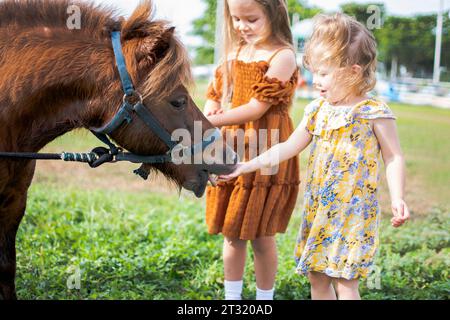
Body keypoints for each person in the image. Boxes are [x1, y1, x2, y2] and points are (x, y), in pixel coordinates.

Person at [218, 13, 410, 300]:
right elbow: (287, 147)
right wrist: (246, 165)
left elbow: (394, 157)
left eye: (324, 73)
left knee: (345, 282)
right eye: (314, 72)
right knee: (317, 277)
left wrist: (397, 197)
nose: (315, 80)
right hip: (320, 211)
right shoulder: (317, 110)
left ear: (354, 71)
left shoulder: (373, 113)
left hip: (353, 214)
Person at [203, 0, 300, 300]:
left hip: (265, 149)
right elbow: (215, 95)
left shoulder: (282, 56)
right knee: (232, 232)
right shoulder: (232, 53)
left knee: (261, 235)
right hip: (231, 148)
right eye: (236, 19)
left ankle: (263, 300)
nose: (242, 26)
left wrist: (211, 120)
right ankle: (233, 299)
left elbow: (257, 109)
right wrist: (210, 119)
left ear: (273, 13)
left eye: (252, 19)